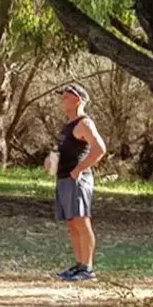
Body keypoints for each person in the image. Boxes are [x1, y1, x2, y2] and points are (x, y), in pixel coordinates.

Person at [52, 84, 107, 282]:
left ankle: (88, 268)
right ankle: (79, 264)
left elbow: (99, 149)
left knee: (82, 221)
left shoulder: (85, 124)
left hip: (77, 180)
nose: (62, 101)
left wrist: (79, 170)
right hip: (64, 178)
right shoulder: (68, 126)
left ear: (78, 100)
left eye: (66, 97)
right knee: (72, 222)